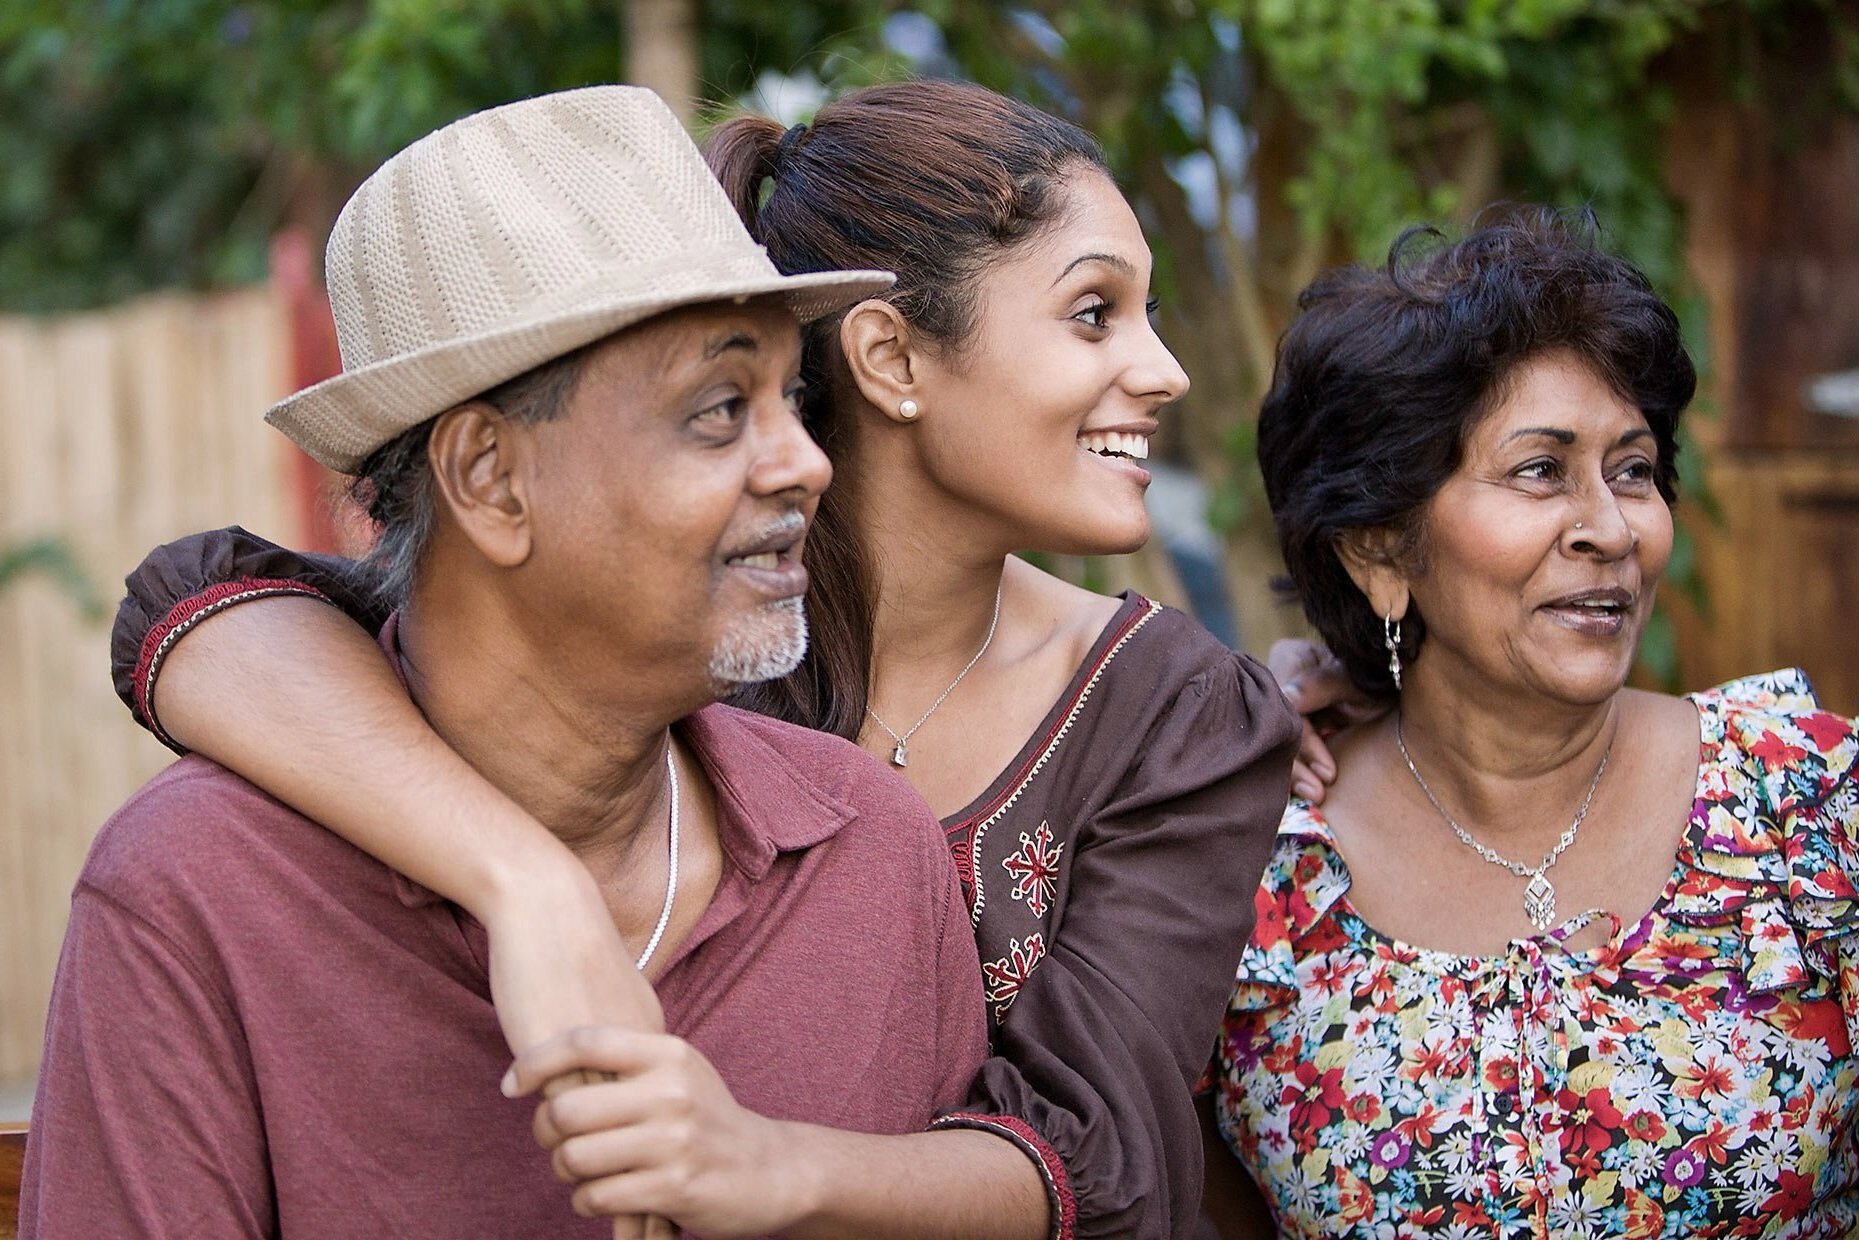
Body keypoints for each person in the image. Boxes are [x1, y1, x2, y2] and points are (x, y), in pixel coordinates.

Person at [97, 80, 1302, 1238]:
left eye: (783, 397)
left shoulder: (888, 825)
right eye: (721, 408)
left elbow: (1105, 1169)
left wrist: (751, 1162)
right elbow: (198, 598)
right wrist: (530, 883)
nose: (799, 462)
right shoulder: (213, 875)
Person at [1204, 209, 1859, 1237]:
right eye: (1539, 470)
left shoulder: (1811, 805)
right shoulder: (1257, 879)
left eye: (1632, 469)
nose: (1608, 528)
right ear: (1379, 547)